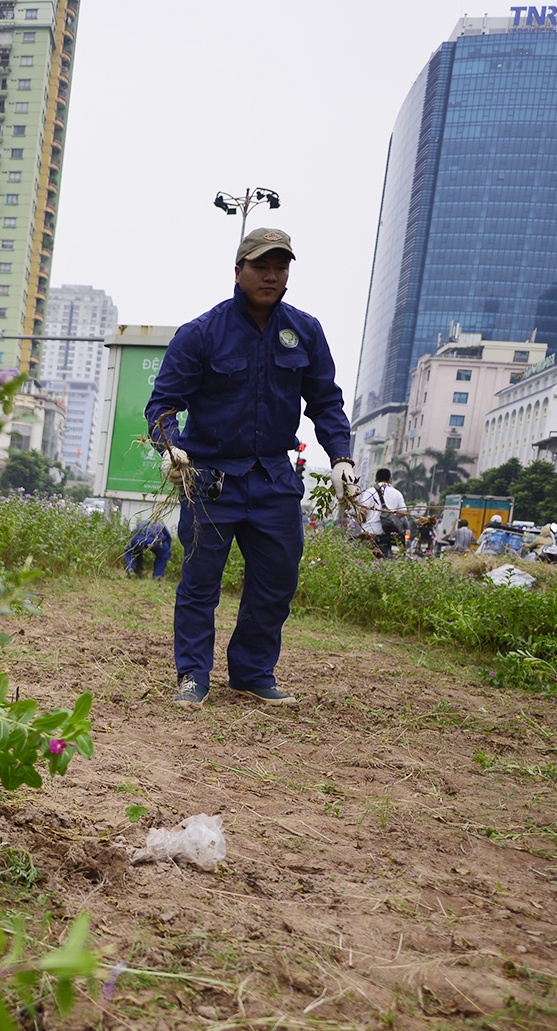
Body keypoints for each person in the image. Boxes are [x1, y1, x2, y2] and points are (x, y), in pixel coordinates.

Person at [143, 227, 351, 707]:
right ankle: (193, 676)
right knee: (200, 583)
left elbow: (326, 401)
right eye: (260, 266)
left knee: (277, 580)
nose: (271, 275)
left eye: (280, 267)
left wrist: (341, 456)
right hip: (211, 479)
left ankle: (253, 672)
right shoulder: (200, 333)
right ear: (238, 271)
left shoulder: (305, 331)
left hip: (275, 479)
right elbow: (162, 405)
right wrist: (171, 449)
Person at [356, 467, 408, 558]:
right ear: (389, 480)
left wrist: (359, 519)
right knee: (382, 563)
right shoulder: (397, 493)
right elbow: (403, 512)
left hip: (369, 534)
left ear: (376, 479)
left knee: (364, 562)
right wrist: (391, 516)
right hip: (386, 536)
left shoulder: (370, 492)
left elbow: (363, 511)